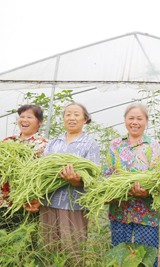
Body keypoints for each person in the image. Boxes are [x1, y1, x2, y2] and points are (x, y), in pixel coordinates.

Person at [37, 102, 100, 263]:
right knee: (49, 249)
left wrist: (77, 180)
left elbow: (93, 179)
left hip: (73, 206)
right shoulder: (53, 143)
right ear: (64, 118)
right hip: (49, 202)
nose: (71, 118)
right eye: (68, 114)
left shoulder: (90, 144)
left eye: (76, 114)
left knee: (73, 251)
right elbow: (42, 171)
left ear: (85, 119)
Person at [103, 103, 160, 267]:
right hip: (120, 209)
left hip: (147, 212)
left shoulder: (153, 145)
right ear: (125, 121)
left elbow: (158, 178)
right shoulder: (115, 145)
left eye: (139, 118)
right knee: (121, 256)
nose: (135, 122)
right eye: (131, 118)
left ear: (146, 121)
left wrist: (147, 191)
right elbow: (107, 173)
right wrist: (113, 190)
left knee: (147, 256)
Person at [0, 104, 47, 232]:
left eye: (29, 117)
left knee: (24, 242)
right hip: (3, 201)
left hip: (26, 202)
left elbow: (44, 176)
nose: (24, 120)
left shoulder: (43, 145)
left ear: (39, 122)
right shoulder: (7, 142)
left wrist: (38, 199)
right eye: (22, 116)